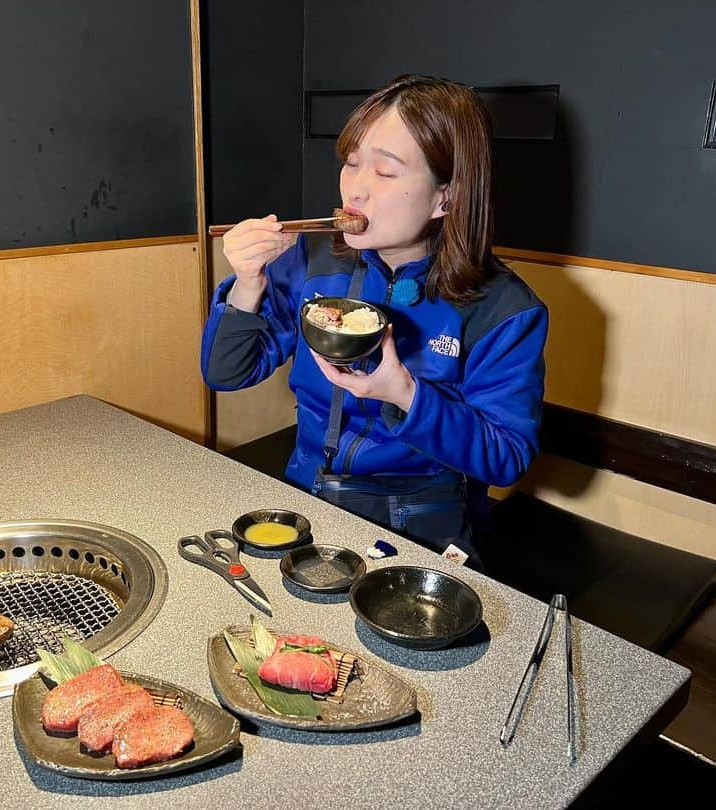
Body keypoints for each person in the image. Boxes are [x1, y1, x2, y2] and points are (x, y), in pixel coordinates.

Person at [201, 74, 548, 569]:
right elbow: (226, 374)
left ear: (445, 197)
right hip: (306, 492)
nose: (355, 190)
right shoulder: (313, 260)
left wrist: (405, 394)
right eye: (351, 162)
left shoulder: (503, 307)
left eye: (385, 173)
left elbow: (507, 456)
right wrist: (248, 282)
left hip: (420, 517)